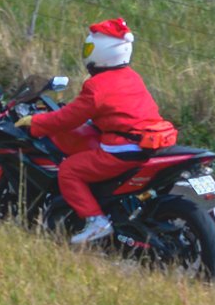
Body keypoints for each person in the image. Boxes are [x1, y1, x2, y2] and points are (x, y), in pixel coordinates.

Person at [25, 16, 172, 245]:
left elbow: (69, 118)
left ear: (100, 52)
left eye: (89, 46)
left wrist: (36, 123)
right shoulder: (132, 77)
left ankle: (96, 221)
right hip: (150, 142)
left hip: (123, 149)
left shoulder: (96, 86)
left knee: (70, 170)